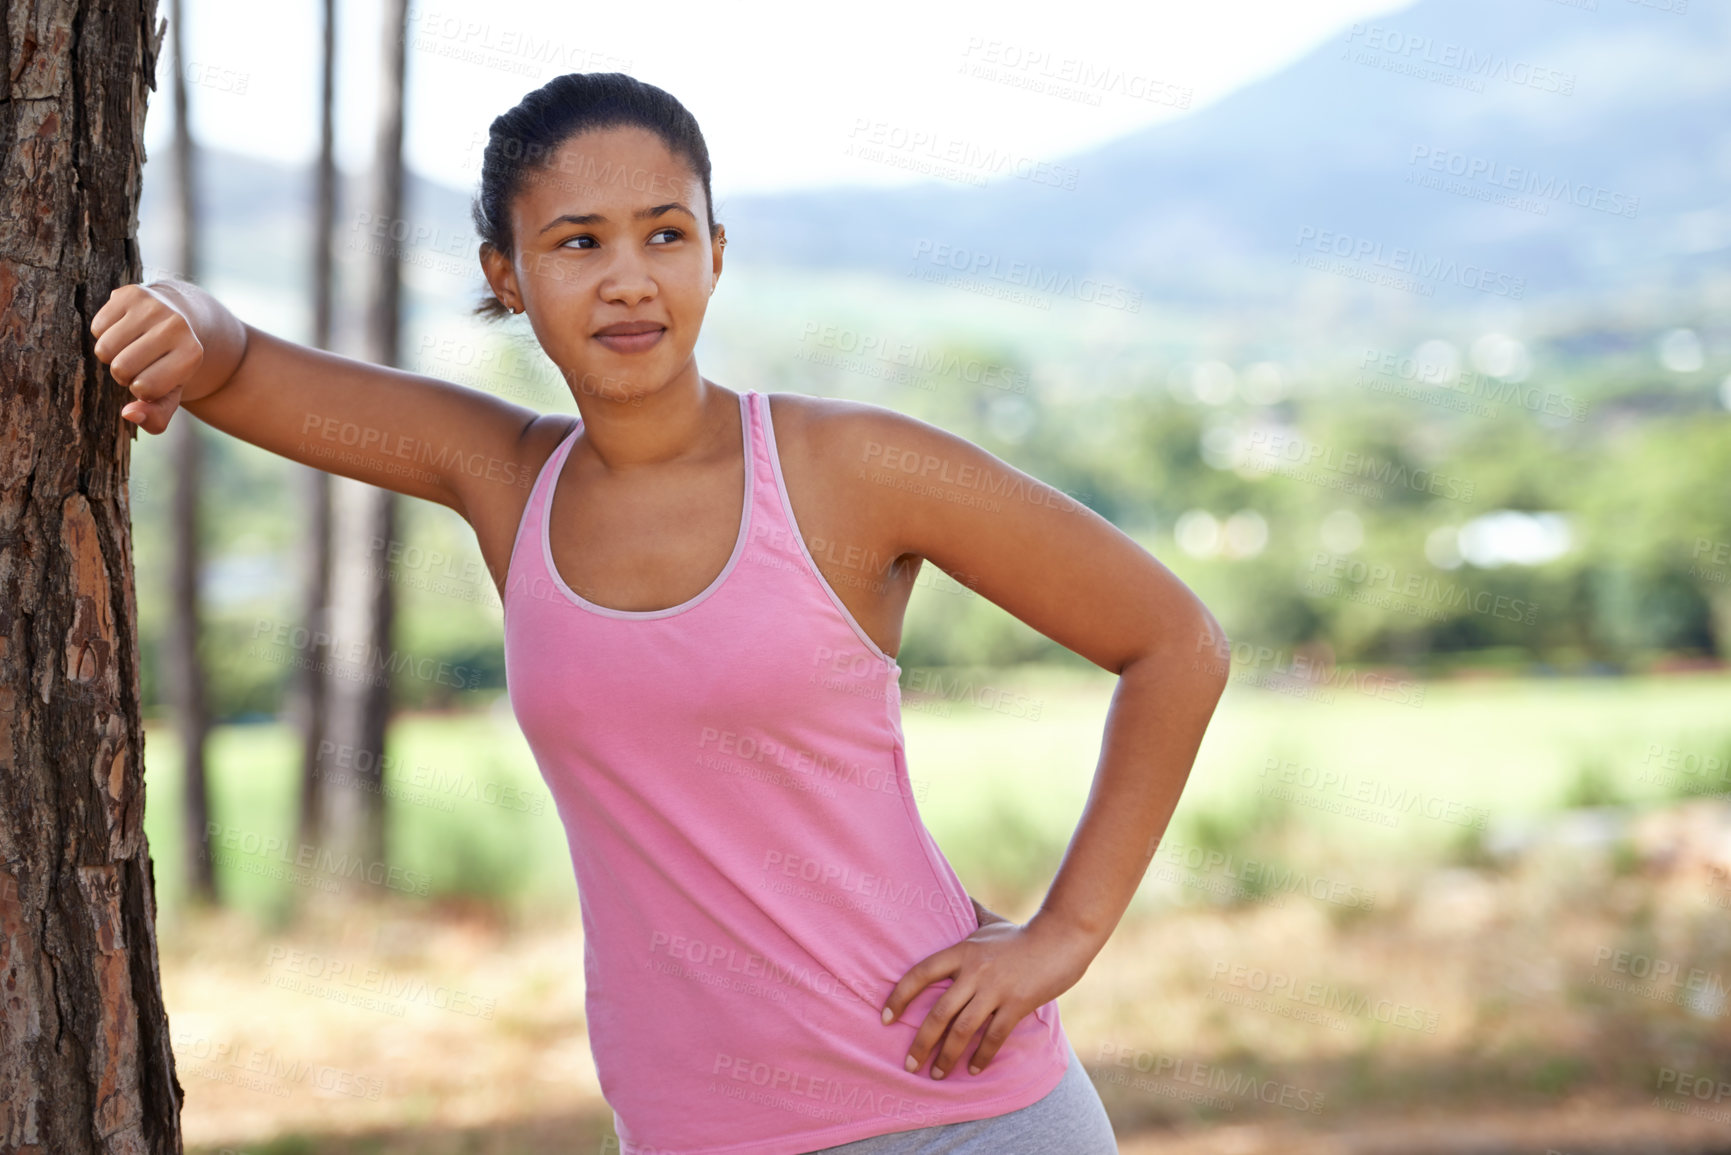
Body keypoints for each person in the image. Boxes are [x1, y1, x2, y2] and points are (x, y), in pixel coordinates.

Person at [92, 71, 1228, 1155]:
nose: (629, 277)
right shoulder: (505, 479)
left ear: (715, 255)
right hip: (697, 1130)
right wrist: (175, 315)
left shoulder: (853, 468)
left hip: (962, 1110)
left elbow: (1174, 642)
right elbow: (234, 363)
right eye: (578, 242)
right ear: (506, 274)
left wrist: (1064, 938)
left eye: (665, 233)